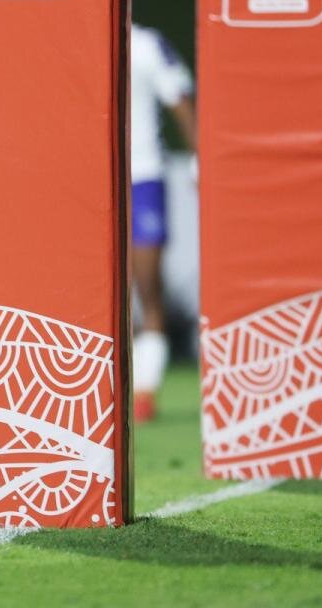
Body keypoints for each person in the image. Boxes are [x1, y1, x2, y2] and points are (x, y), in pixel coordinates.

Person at [130, 23, 196, 423]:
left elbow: (180, 100)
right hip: (91, 180)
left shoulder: (146, 45)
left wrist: (200, 156)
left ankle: (145, 389)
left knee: (147, 284)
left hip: (144, 177)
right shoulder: (76, 43)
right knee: (96, 287)